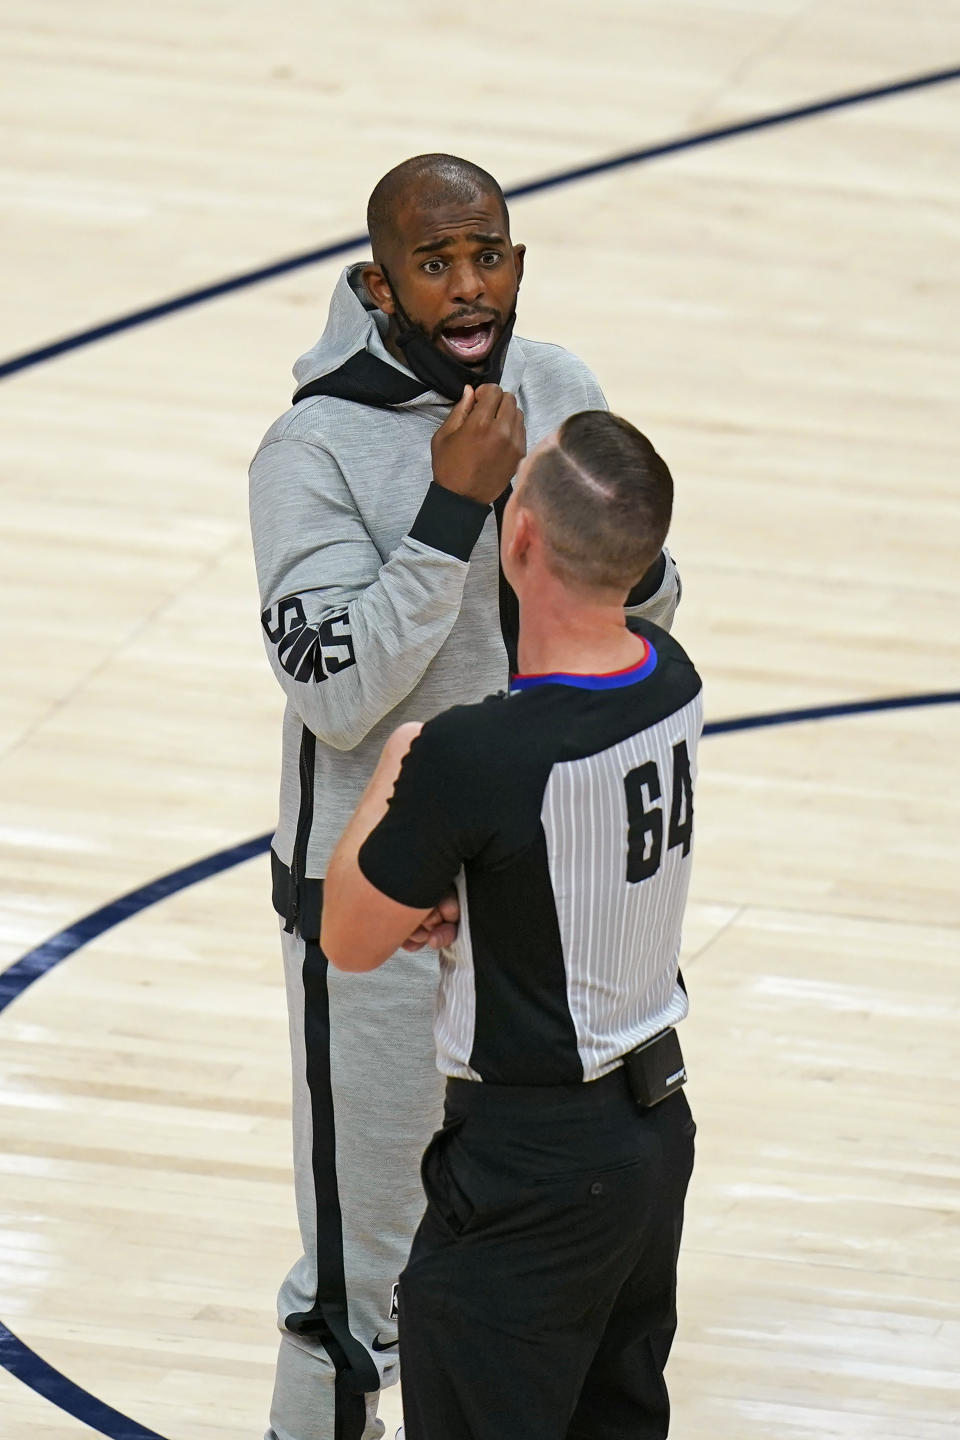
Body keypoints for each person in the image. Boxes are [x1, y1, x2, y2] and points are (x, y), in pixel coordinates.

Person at [248, 153, 682, 1440]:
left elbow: (643, 599)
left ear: (517, 262)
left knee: (540, 1247)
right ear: (381, 283)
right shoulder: (309, 447)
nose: (467, 285)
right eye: (433, 264)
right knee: (356, 1279)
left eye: (485, 254)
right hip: (377, 905)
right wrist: (453, 509)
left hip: (534, 900)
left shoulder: (561, 386)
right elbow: (335, 694)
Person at [322, 410, 701, 1440]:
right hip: (649, 1138)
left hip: (531, 1166)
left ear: (520, 539)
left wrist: (397, 769)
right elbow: (561, 842)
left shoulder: (471, 755)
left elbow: (350, 938)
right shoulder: (669, 678)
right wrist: (483, 900)